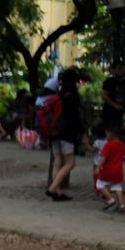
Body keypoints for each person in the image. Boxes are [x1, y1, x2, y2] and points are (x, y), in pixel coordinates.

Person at [46, 68, 84, 201]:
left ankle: (57, 192)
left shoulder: (60, 93)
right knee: (70, 163)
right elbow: (75, 117)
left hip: (54, 132)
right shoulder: (73, 96)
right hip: (66, 133)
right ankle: (52, 189)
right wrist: (82, 132)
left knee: (57, 161)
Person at [96, 124, 125, 213]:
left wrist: (98, 167)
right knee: (117, 187)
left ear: (110, 134)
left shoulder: (108, 145)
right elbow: (124, 156)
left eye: (106, 133)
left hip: (108, 170)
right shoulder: (122, 145)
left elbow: (103, 157)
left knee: (99, 184)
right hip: (118, 170)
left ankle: (110, 199)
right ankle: (121, 205)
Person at [100, 62, 125, 130]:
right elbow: (104, 95)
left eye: (122, 68)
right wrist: (114, 105)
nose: (121, 70)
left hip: (122, 112)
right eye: (119, 68)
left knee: (121, 131)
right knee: (110, 130)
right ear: (114, 70)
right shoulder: (109, 81)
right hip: (109, 113)